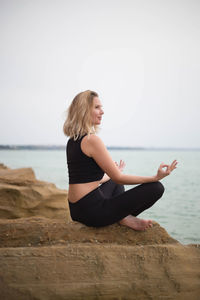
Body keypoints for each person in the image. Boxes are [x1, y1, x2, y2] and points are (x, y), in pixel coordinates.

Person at [63, 90, 178, 231]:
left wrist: (114, 174)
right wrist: (155, 177)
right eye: (97, 107)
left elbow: (88, 180)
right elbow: (119, 178)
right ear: (85, 110)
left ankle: (123, 217)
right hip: (92, 213)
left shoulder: (72, 140)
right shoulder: (91, 140)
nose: (102, 112)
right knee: (156, 188)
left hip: (77, 210)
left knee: (112, 182)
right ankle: (123, 218)